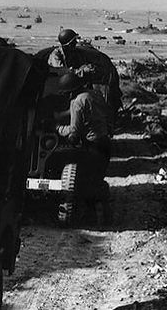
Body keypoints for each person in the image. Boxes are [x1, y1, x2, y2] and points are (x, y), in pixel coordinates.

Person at [57, 72, 112, 223]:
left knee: (87, 183)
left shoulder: (77, 102)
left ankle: (93, 218)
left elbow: (75, 132)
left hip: (92, 145)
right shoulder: (95, 94)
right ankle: (105, 217)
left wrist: (59, 129)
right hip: (105, 142)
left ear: (70, 91)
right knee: (98, 180)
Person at [49, 28, 123, 125]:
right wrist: (82, 71)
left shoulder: (76, 53)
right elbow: (62, 73)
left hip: (74, 84)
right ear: (67, 44)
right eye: (73, 41)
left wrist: (90, 69)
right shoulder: (56, 56)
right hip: (59, 88)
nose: (76, 43)